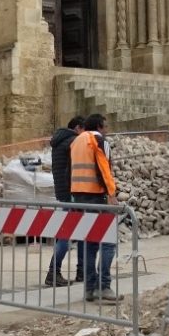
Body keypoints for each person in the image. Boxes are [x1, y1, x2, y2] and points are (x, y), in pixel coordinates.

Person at [68, 113, 120, 303]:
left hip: (78, 196)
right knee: (108, 241)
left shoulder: (77, 141)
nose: (107, 130)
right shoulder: (98, 140)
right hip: (96, 196)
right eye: (105, 126)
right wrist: (112, 193)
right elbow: (104, 168)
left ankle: (89, 289)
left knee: (90, 243)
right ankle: (103, 286)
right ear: (99, 126)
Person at [45, 116, 84, 288]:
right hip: (72, 193)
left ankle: (82, 271)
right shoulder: (73, 142)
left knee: (78, 231)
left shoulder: (59, 141)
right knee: (67, 233)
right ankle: (53, 272)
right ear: (77, 128)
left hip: (63, 192)